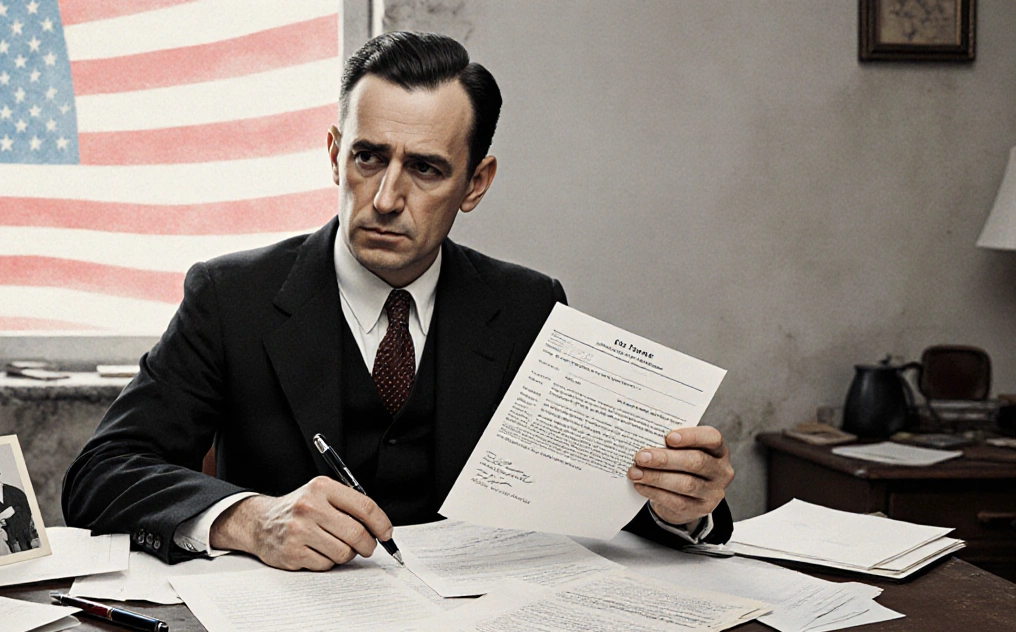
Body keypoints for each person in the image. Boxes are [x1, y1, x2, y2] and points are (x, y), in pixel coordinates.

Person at [63, 32, 735, 570]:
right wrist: (250, 520)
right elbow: (99, 475)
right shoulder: (229, 296)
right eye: (367, 158)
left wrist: (681, 505)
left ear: (476, 183)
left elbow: (592, 495)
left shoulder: (528, 304)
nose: (385, 198)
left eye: (425, 168)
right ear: (333, 155)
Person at [0, 463, 39, 552]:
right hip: (1, 540)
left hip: (23, 535)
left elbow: (27, 511)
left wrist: (13, 511)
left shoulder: (15, 492)